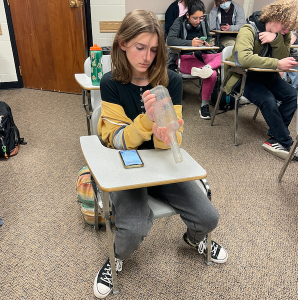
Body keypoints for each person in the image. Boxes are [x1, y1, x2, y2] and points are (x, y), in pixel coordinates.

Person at [94, 9, 228, 299]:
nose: (147, 57)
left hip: (161, 163)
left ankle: (194, 241)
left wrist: (166, 136)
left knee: (207, 218)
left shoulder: (170, 81)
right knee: (132, 231)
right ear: (123, 44)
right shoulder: (110, 83)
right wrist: (147, 122)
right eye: (140, 48)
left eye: (154, 50)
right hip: (126, 166)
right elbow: (118, 140)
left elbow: (174, 139)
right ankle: (116, 256)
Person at [223, 0, 298, 160]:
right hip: (243, 76)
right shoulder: (248, 29)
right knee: (268, 100)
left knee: (292, 95)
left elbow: (283, 56)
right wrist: (277, 63)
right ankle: (287, 143)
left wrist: (276, 39)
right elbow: (243, 59)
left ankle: (275, 134)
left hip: (266, 75)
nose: (286, 31)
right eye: (284, 26)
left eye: (289, 29)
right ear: (274, 17)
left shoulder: (283, 34)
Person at [167, 0, 222, 120]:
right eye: (195, 18)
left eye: (201, 18)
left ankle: (207, 68)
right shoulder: (179, 22)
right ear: (187, 15)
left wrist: (208, 42)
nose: (198, 21)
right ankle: (204, 105)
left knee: (226, 54)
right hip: (185, 58)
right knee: (212, 75)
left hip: (201, 56)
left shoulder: (203, 22)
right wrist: (190, 43)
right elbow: (170, 40)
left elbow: (208, 36)